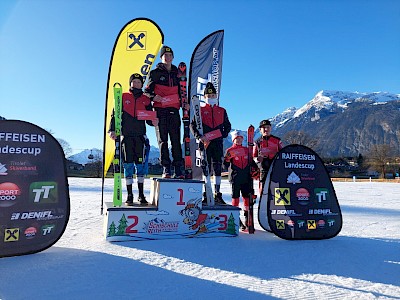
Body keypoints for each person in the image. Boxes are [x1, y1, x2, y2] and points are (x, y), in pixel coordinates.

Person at [108, 73, 158, 206]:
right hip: (126, 136)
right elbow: (115, 115)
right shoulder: (123, 96)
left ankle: (141, 194)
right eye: (134, 82)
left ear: (142, 84)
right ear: (130, 83)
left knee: (140, 165)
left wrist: (154, 121)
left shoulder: (146, 100)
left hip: (140, 137)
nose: (136, 84)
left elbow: (149, 119)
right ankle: (129, 195)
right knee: (128, 165)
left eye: (139, 82)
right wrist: (111, 130)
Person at [144, 45, 186, 179]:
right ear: (161, 58)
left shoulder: (178, 73)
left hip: (174, 110)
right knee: (163, 140)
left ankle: (178, 169)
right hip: (160, 110)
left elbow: (183, 91)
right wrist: (153, 97)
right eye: (164, 56)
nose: (167, 58)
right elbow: (146, 91)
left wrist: (185, 103)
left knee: (175, 140)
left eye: (169, 55)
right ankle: (166, 168)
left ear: (173, 57)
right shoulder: (155, 73)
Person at [190, 82, 231, 204]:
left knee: (217, 167)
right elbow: (192, 125)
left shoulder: (222, 110)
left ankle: (217, 193)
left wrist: (223, 134)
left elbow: (227, 125)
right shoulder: (200, 110)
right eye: (209, 95)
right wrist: (199, 136)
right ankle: (206, 194)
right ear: (205, 97)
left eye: (213, 95)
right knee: (206, 168)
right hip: (205, 142)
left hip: (217, 143)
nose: (211, 97)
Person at [224, 130, 253, 230]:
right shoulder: (230, 150)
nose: (239, 140)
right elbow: (225, 165)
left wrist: (255, 169)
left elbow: (251, 162)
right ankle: (236, 218)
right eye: (237, 138)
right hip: (235, 178)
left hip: (246, 177)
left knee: (246, 198)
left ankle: (247, 217)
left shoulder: (246, 150)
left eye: (241, 138)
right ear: (233, 140)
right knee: (235, 198)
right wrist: (226, 160)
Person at [253, 119, 283, 190]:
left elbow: (283, 153)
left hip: (276, 167)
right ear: (260, 130)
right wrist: (257, 159)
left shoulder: (277, 140)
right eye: (263, 128)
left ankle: (278, 200)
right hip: (263, 168)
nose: (266, 129)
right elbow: (254, 156)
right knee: (263, 187)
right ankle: (263, 200)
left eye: (268, 127)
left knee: (277, 185)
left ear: (271, 128)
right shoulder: (257, 142)